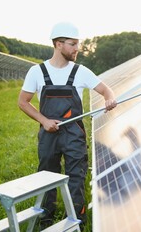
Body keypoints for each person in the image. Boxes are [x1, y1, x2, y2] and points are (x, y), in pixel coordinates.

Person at [18, 21, 117, 229]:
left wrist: (109, 99)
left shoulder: (81, 72)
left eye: (77, 44)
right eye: (72, 44)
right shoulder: (37, 71)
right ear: (58, 44)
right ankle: (47, 218)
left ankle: (77, 221)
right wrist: (44, 121)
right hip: (48, 133)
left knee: (76, 178)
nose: (76, 49)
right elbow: (22, 102)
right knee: (47, 177)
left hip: (74, 134)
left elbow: (107, 91)